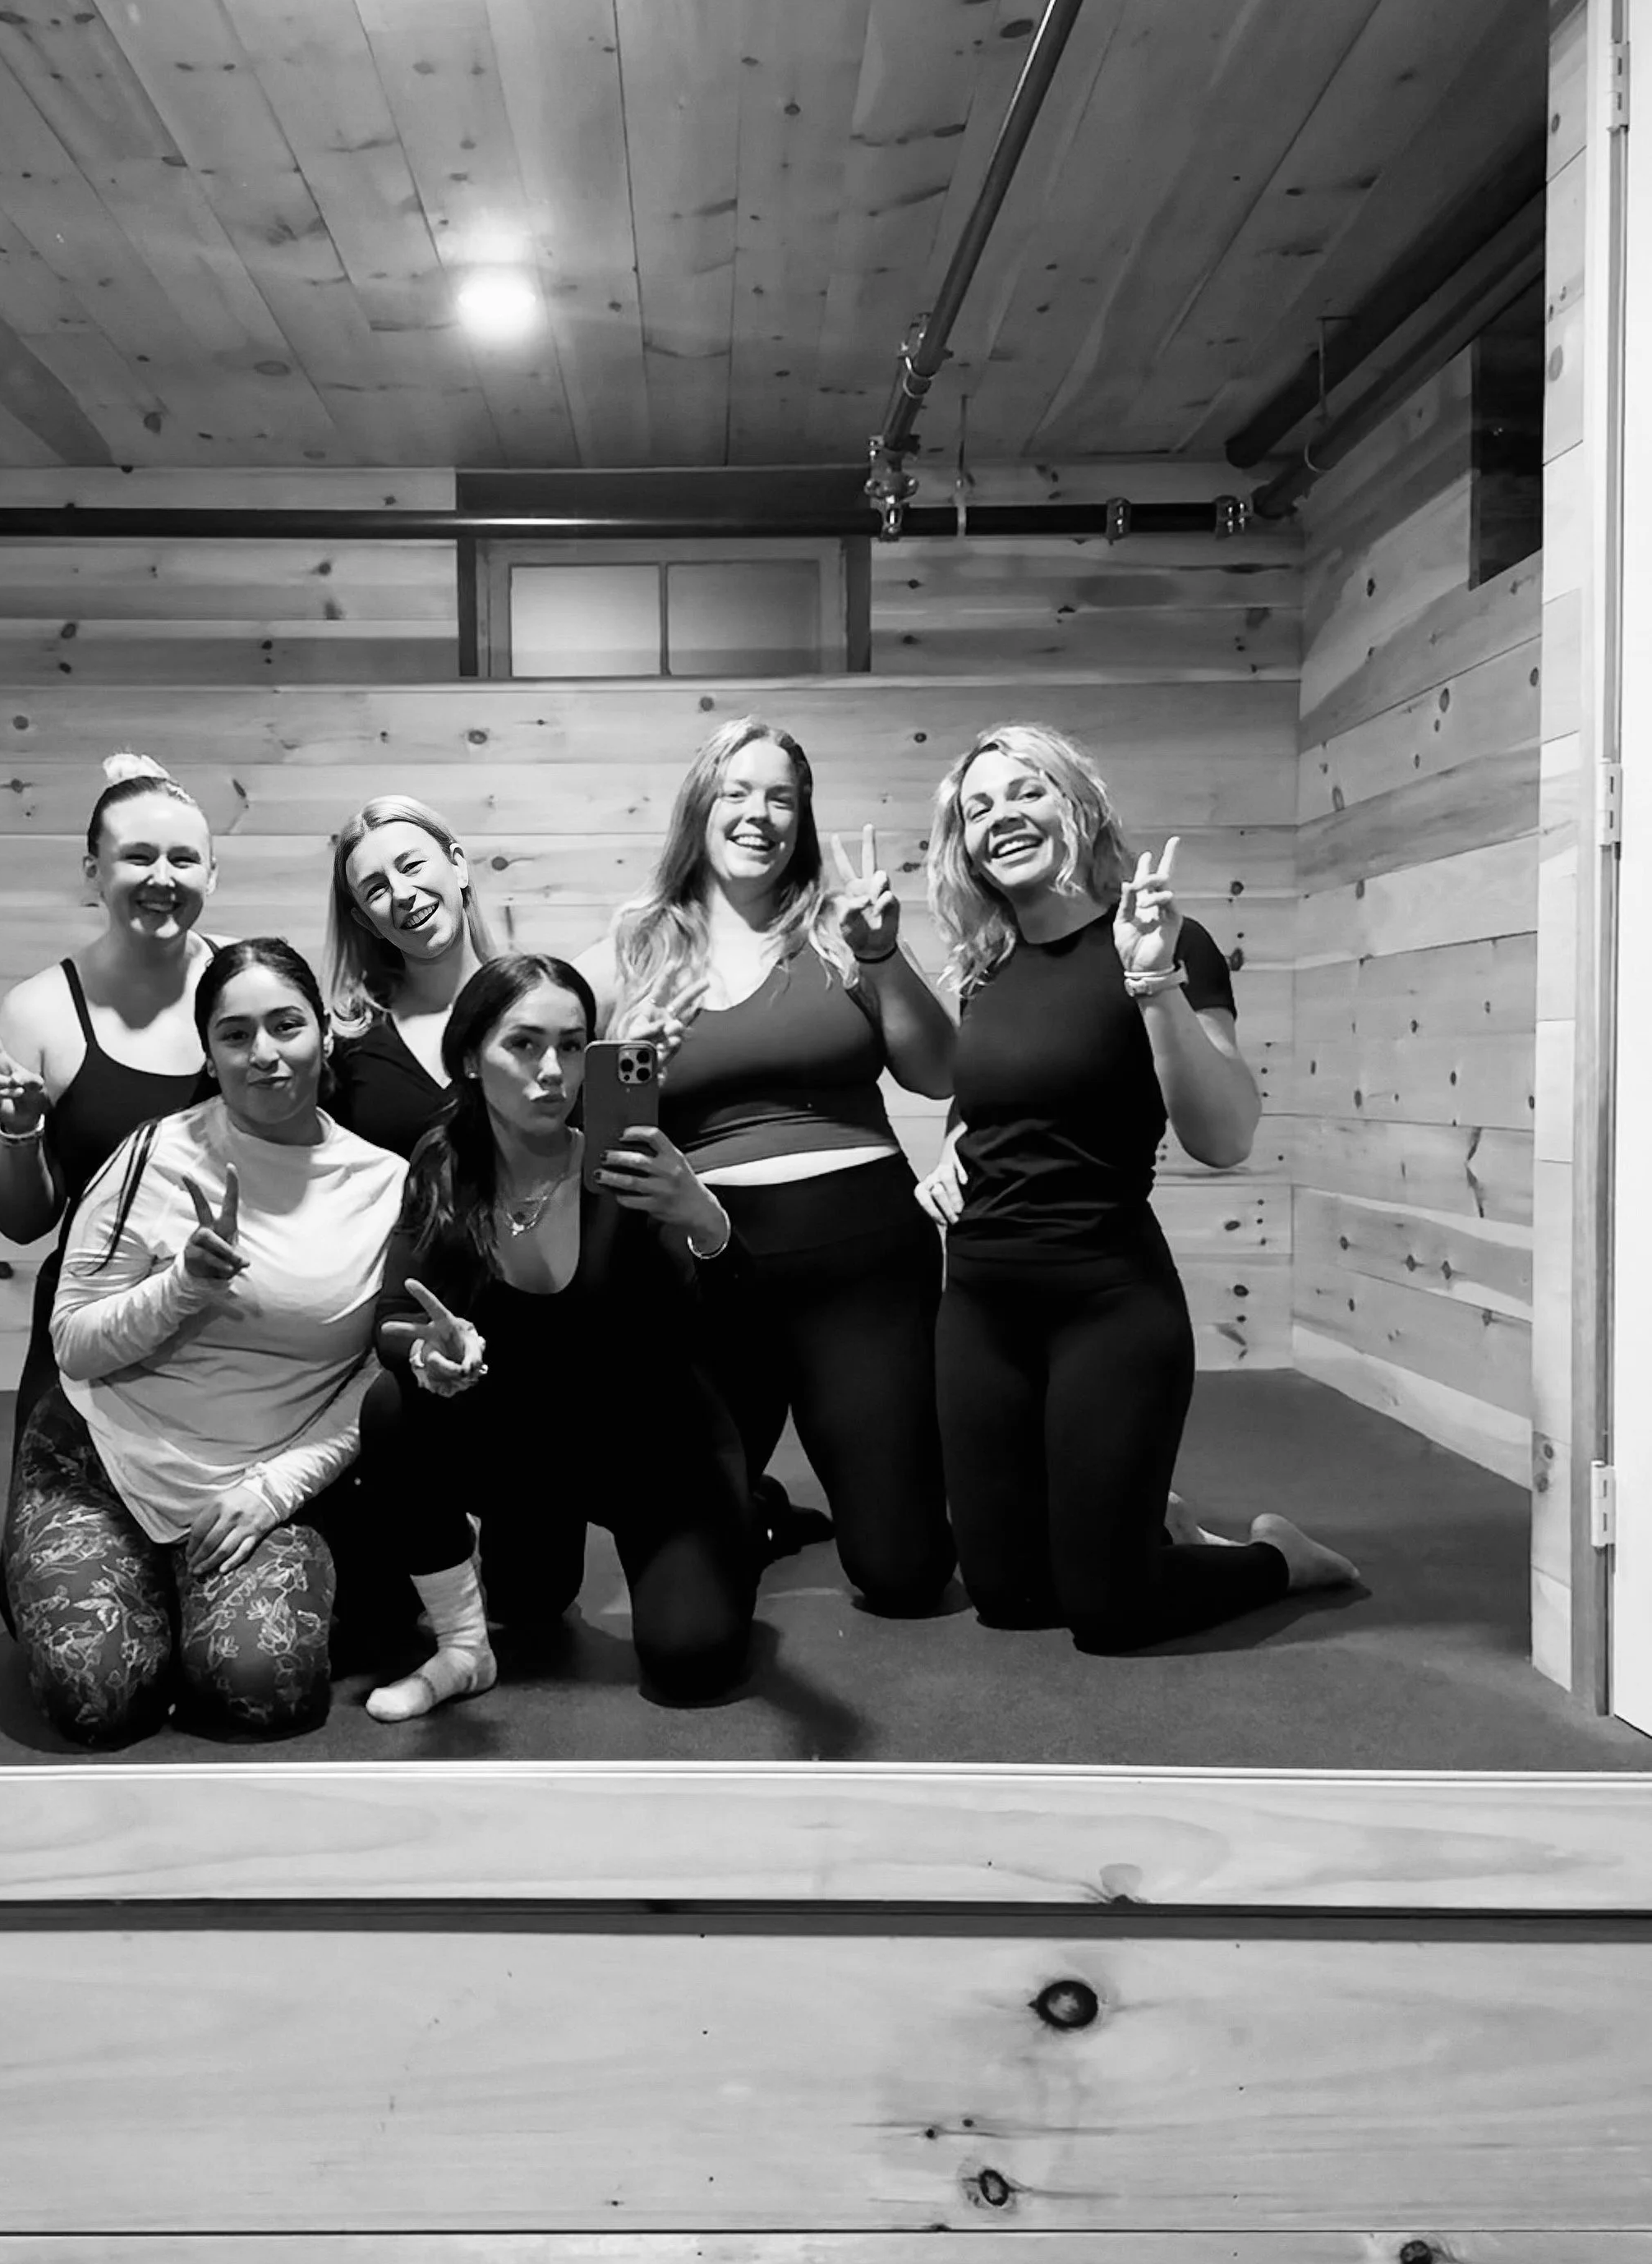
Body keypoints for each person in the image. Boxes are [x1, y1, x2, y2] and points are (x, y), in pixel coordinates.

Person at [917, 725, 1357, 1654]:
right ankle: (1137, 1515)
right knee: (1006, 1596)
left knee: (1106, 1614)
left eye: (1025, 791)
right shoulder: (983, 970)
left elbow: (1225, 1136)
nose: (1001, 817)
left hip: (1104, 1304)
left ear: (1076, 802)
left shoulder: (1166, 939)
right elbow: (1002, 1104)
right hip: (981, 1308)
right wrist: (947, 1151)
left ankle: (1281, 1558)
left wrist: (1151, 980)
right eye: (978, 808)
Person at [577, 718, 957, 1613]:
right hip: (710, 1270)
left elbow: (938, 1073)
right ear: (698, 809)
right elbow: (600, 1146)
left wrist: (882, 955)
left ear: (804, 817)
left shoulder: (843, 928)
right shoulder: (628, 950)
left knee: (903, 1575)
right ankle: (760, 1509)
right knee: (695, 1587)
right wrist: (629, 1060)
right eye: (737, 793)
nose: (760, 814)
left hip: (864, 1260)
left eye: (781, 797)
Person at [2, 938, 408, 1746]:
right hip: (104, 1467)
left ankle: (190, 1607)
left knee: (262, 1690)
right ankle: (141, 1598)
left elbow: (374, 1377)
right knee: (97, 1699)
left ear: (323, 1035)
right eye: (236, 1034)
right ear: (211, 1053)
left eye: (286, 1025)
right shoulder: (154, 1156)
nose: (265, 1053)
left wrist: (277, 1491)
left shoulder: (386, 1185)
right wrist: (182, 1286)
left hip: (257, 1485)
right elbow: (75, 1345)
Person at [357, 953, 758, 1721]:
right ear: (472, 1057)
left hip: (657, 1453)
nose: (553, 1071)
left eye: (573, 1046)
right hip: (531, 1451)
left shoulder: (631, 1170)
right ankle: (462, 1648)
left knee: (693, 1664)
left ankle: (742, 1525)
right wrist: (428, 1351)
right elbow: (391, 1322)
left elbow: (740, 1328)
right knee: (393, 1409)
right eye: (524, 1045)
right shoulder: (443, 1166)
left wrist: (706, 1221)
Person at [0, 752, 222, 1451]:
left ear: (213, 873)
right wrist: (21, 1133)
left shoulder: (252, 987)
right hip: (96, 1329)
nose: (162, 878)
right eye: (138, 856)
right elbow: (20, 1222)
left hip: (236, 1325)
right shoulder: (37, 1013)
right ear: (93, 870)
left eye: (184, 859)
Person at [324, 794, 500, 1160]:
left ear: (458, 866)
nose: (402, 894)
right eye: (376, 889)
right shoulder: (347, 1043)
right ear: (365, 922)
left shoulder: (535, 1007)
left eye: (412, 866)